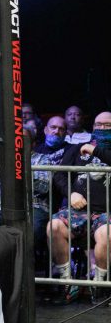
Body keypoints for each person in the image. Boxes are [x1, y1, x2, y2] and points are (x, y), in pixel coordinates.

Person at [47, 111, 111, 305]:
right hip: (78, 211)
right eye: (98, 125)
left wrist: (95, 151)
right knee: (54, 226)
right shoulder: (76, 149)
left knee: (107, 234)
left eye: (107, 125)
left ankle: (99, 285)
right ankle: (68, 283)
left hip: (106, 212)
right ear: (93, 127)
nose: (102, 128)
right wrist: (71, 194)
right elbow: (59, 175)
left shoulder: (90, 148)